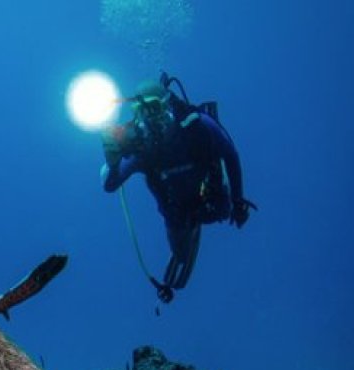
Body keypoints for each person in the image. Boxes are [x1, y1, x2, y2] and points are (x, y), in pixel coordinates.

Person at [101, 73, 256, 303]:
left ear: (168, 105)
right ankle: (183, 247)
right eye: (142, 112)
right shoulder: (142, 150)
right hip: (176, 210)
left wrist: (238, 200)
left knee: (220, 211)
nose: (150, 117)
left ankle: (196, 225)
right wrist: (113, 163)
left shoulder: (197, 126)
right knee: (180, 250)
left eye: (154, 108)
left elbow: (230, 154)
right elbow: (111, 185)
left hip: (209, 197)